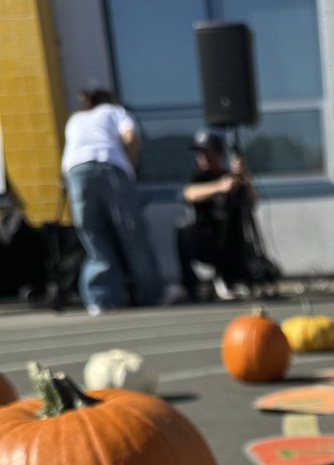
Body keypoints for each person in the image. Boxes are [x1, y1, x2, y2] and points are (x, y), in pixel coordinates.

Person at [60, 88, 163, 313]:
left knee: (94, 237)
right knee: (131, 234)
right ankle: (152, 294)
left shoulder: (75, 119)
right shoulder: (115, 111)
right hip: (109, 166)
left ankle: (101, 299)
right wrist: (130, 166)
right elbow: (130, 138)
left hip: (76, 173)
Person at [177, 130, 262, 302]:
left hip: (233, 242)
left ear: (220, 154)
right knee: (184, 231)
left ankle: (233, 279)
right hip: (207, 239)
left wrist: (245, 177)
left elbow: (252, 203)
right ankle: (192, 287)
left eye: (207, 153)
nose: (203, 158)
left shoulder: (232, 178)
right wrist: (218, 187)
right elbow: (189, 194)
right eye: (200, 154)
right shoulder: (198, 177)